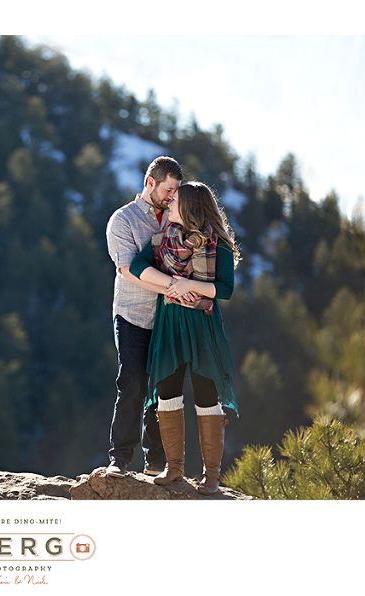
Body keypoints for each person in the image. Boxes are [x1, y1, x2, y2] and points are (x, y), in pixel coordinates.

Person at [129, 180, 241, 495]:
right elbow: (136, 266)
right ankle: (174, 468)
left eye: (174, 199)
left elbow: (226, 289)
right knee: (167, 391)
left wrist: (187, 285)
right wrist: (171, 284)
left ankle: (211, 475)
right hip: (170, 324)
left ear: (189, 206)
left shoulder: (217, 244)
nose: (169, 203)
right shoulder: (162, 241)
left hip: (203, 326)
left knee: (206, 394)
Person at [104, 156, 183, 478]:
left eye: (176, 191)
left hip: (169, 318)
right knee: (133, 382)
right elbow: (127, 271)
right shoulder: (123, 220)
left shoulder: (177, 219)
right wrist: (175, 288)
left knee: (164, 388)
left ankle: (156, 461)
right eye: (168, 190)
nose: (172, 196)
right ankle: (119, 459)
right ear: (150, 183)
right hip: (132, 315)